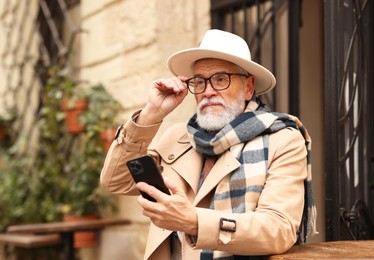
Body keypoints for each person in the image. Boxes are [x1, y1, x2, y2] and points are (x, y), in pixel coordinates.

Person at [100, 29, 316, 260]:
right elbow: (117, 180)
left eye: (221, 79)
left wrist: (193, 221)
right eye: (200, 82)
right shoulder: (177, 137)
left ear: (248, 87)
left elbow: (278, 230)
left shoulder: (282, 139)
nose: (208, 92)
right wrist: (150, 114)